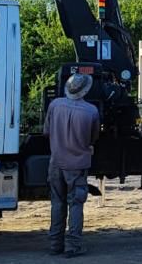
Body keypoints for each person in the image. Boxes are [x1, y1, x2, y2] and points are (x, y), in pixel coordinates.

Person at [43, 74, 101, 258]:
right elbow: (93, 138)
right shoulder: (91, 111)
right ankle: (73, 246)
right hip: (77, 165)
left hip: (56, 163)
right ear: (86, 90)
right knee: (75, 204)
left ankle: (54, 245)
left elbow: (46, 131)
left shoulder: (54, 105)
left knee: (57, 203)